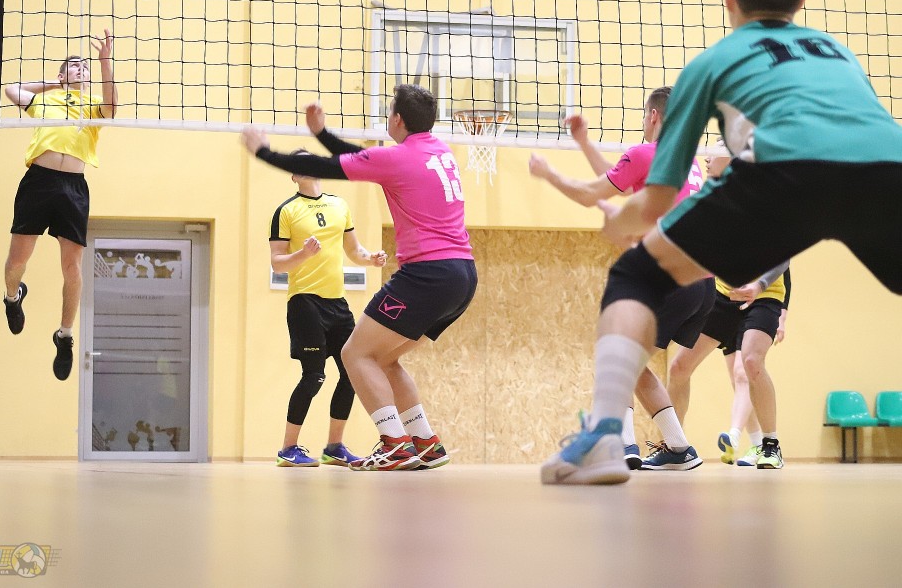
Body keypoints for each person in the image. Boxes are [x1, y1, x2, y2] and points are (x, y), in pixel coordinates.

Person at [542, 0, 902, 485]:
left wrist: (622, 221)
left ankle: (608, 438)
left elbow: (657, 199)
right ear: (802, 1)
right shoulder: (841, 53)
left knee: (635, 275)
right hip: (887, 169)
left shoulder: (711, 63)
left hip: (784, 172)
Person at [242, 83, 477, 471]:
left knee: (354, 354)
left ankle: (395, 443)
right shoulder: (440, 152)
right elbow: (359, 157)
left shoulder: (396, 158)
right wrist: (321, 133)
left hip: (426, 275)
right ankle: (425, 443)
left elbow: (330, 166)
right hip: (463, 275)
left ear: (396, 119)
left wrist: (263, 152)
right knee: (383, 359)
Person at [530, 87, 713, 472]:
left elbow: (591, 193)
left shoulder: (645, 153)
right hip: (702, 285)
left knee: (616, 351)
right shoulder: (688, 160)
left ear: (653, 116)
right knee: (632, 364)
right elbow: (623, 181)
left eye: (646, 115)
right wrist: (584, 142)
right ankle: (676, 448)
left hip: (670, 275)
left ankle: (620, 445)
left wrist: (548, 173)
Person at [2, 30, 117, 381]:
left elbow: (113, 107)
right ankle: (12, 297)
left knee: (72, 268)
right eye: (74, 66)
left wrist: (104, 62)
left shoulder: (94, 105)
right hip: (38, 182)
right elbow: (10, 89)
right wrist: (55, 84)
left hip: (73, 189)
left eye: (85, 67)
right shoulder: (46, 101)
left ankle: (64, 335)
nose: (81, 69)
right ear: (63, 75)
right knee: (17, 261)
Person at [667, 148, 793, 469]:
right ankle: (675, 446)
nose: (707, 157)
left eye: (716, 151)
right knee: (679, 368)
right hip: (723, 296)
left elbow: (784, 255)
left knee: (750, 362)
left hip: (764, 294)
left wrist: (758, 286)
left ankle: (770, 446)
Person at [269, 152, 388, 467]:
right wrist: (303, 254)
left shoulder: (339, 206)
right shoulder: (286, 211)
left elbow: (354, 250)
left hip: (337, 303)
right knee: (314, 376)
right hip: (305, 302)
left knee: (352, 372)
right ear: (294, 176)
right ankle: (288, 449)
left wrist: (371, 259)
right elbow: (277, 263)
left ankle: (334, 446)